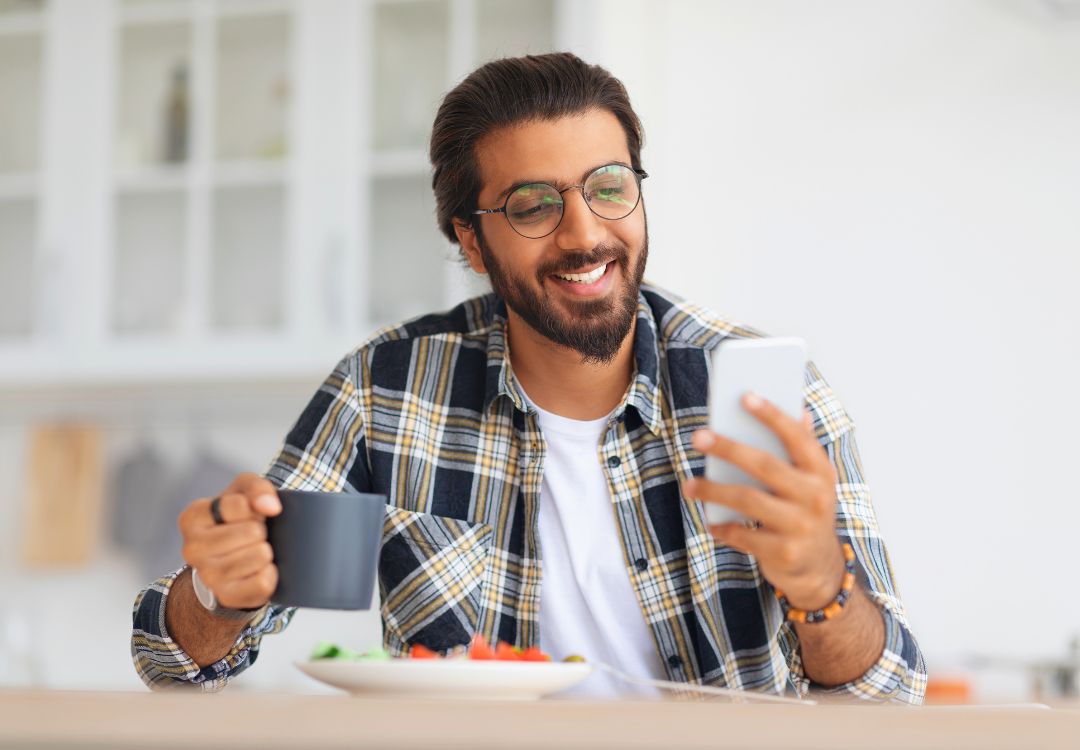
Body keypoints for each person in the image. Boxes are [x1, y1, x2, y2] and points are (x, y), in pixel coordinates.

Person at [131, 52, 926, 702]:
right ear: (471, 244)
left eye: (609, 188)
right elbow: (173, 661)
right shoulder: (384, 392)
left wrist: (823, 586)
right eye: (533, 206)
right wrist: (217, 595)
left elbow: (888, 699)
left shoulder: (763, 396)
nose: (586, 235)